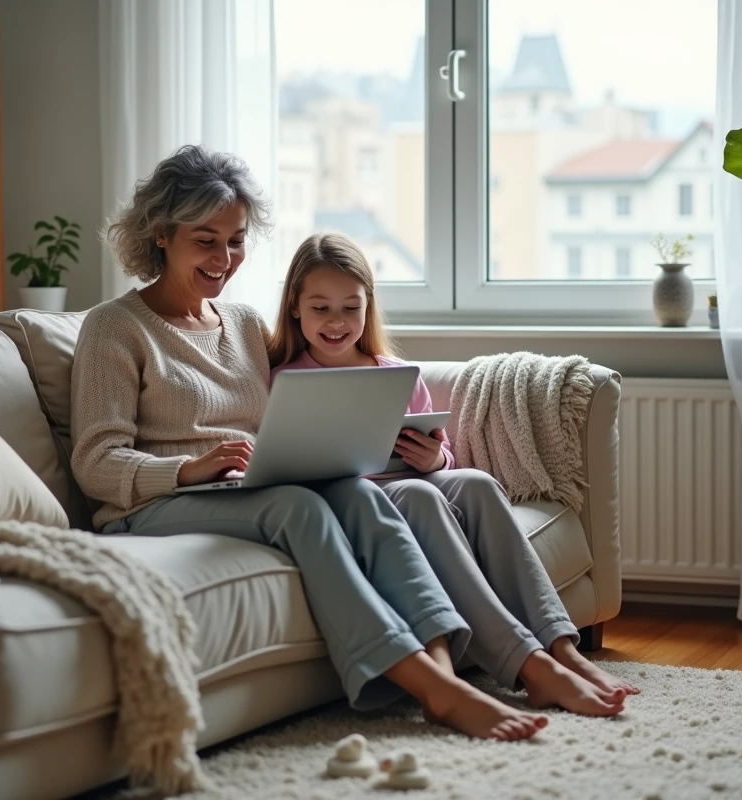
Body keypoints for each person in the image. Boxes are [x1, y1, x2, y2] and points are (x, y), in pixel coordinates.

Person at [70, 144, 548, 741]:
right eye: (206, 239)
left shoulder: (242, 324)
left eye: (237, 239)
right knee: (300, 508)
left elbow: (296, 402)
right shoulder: (115, 327)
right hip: (148, 508)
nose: (225, 258)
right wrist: (188, 470)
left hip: (244, 491)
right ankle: (434, 690)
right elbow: (95, 462)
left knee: (358, 494)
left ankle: (445, 667)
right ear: (161, 235)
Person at [268, 232, 639, 714]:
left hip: (408, 480)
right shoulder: (283, 379)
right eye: (321, 308)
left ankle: (565, 650)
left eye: (350, 307)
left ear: (368, 306)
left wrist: (436, 461)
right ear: (295, 307)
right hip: (357, 502)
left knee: (478, 483)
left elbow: (444, 461)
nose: (337, 322)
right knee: (420, 498)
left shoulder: (398, 373)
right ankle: (528, 664)